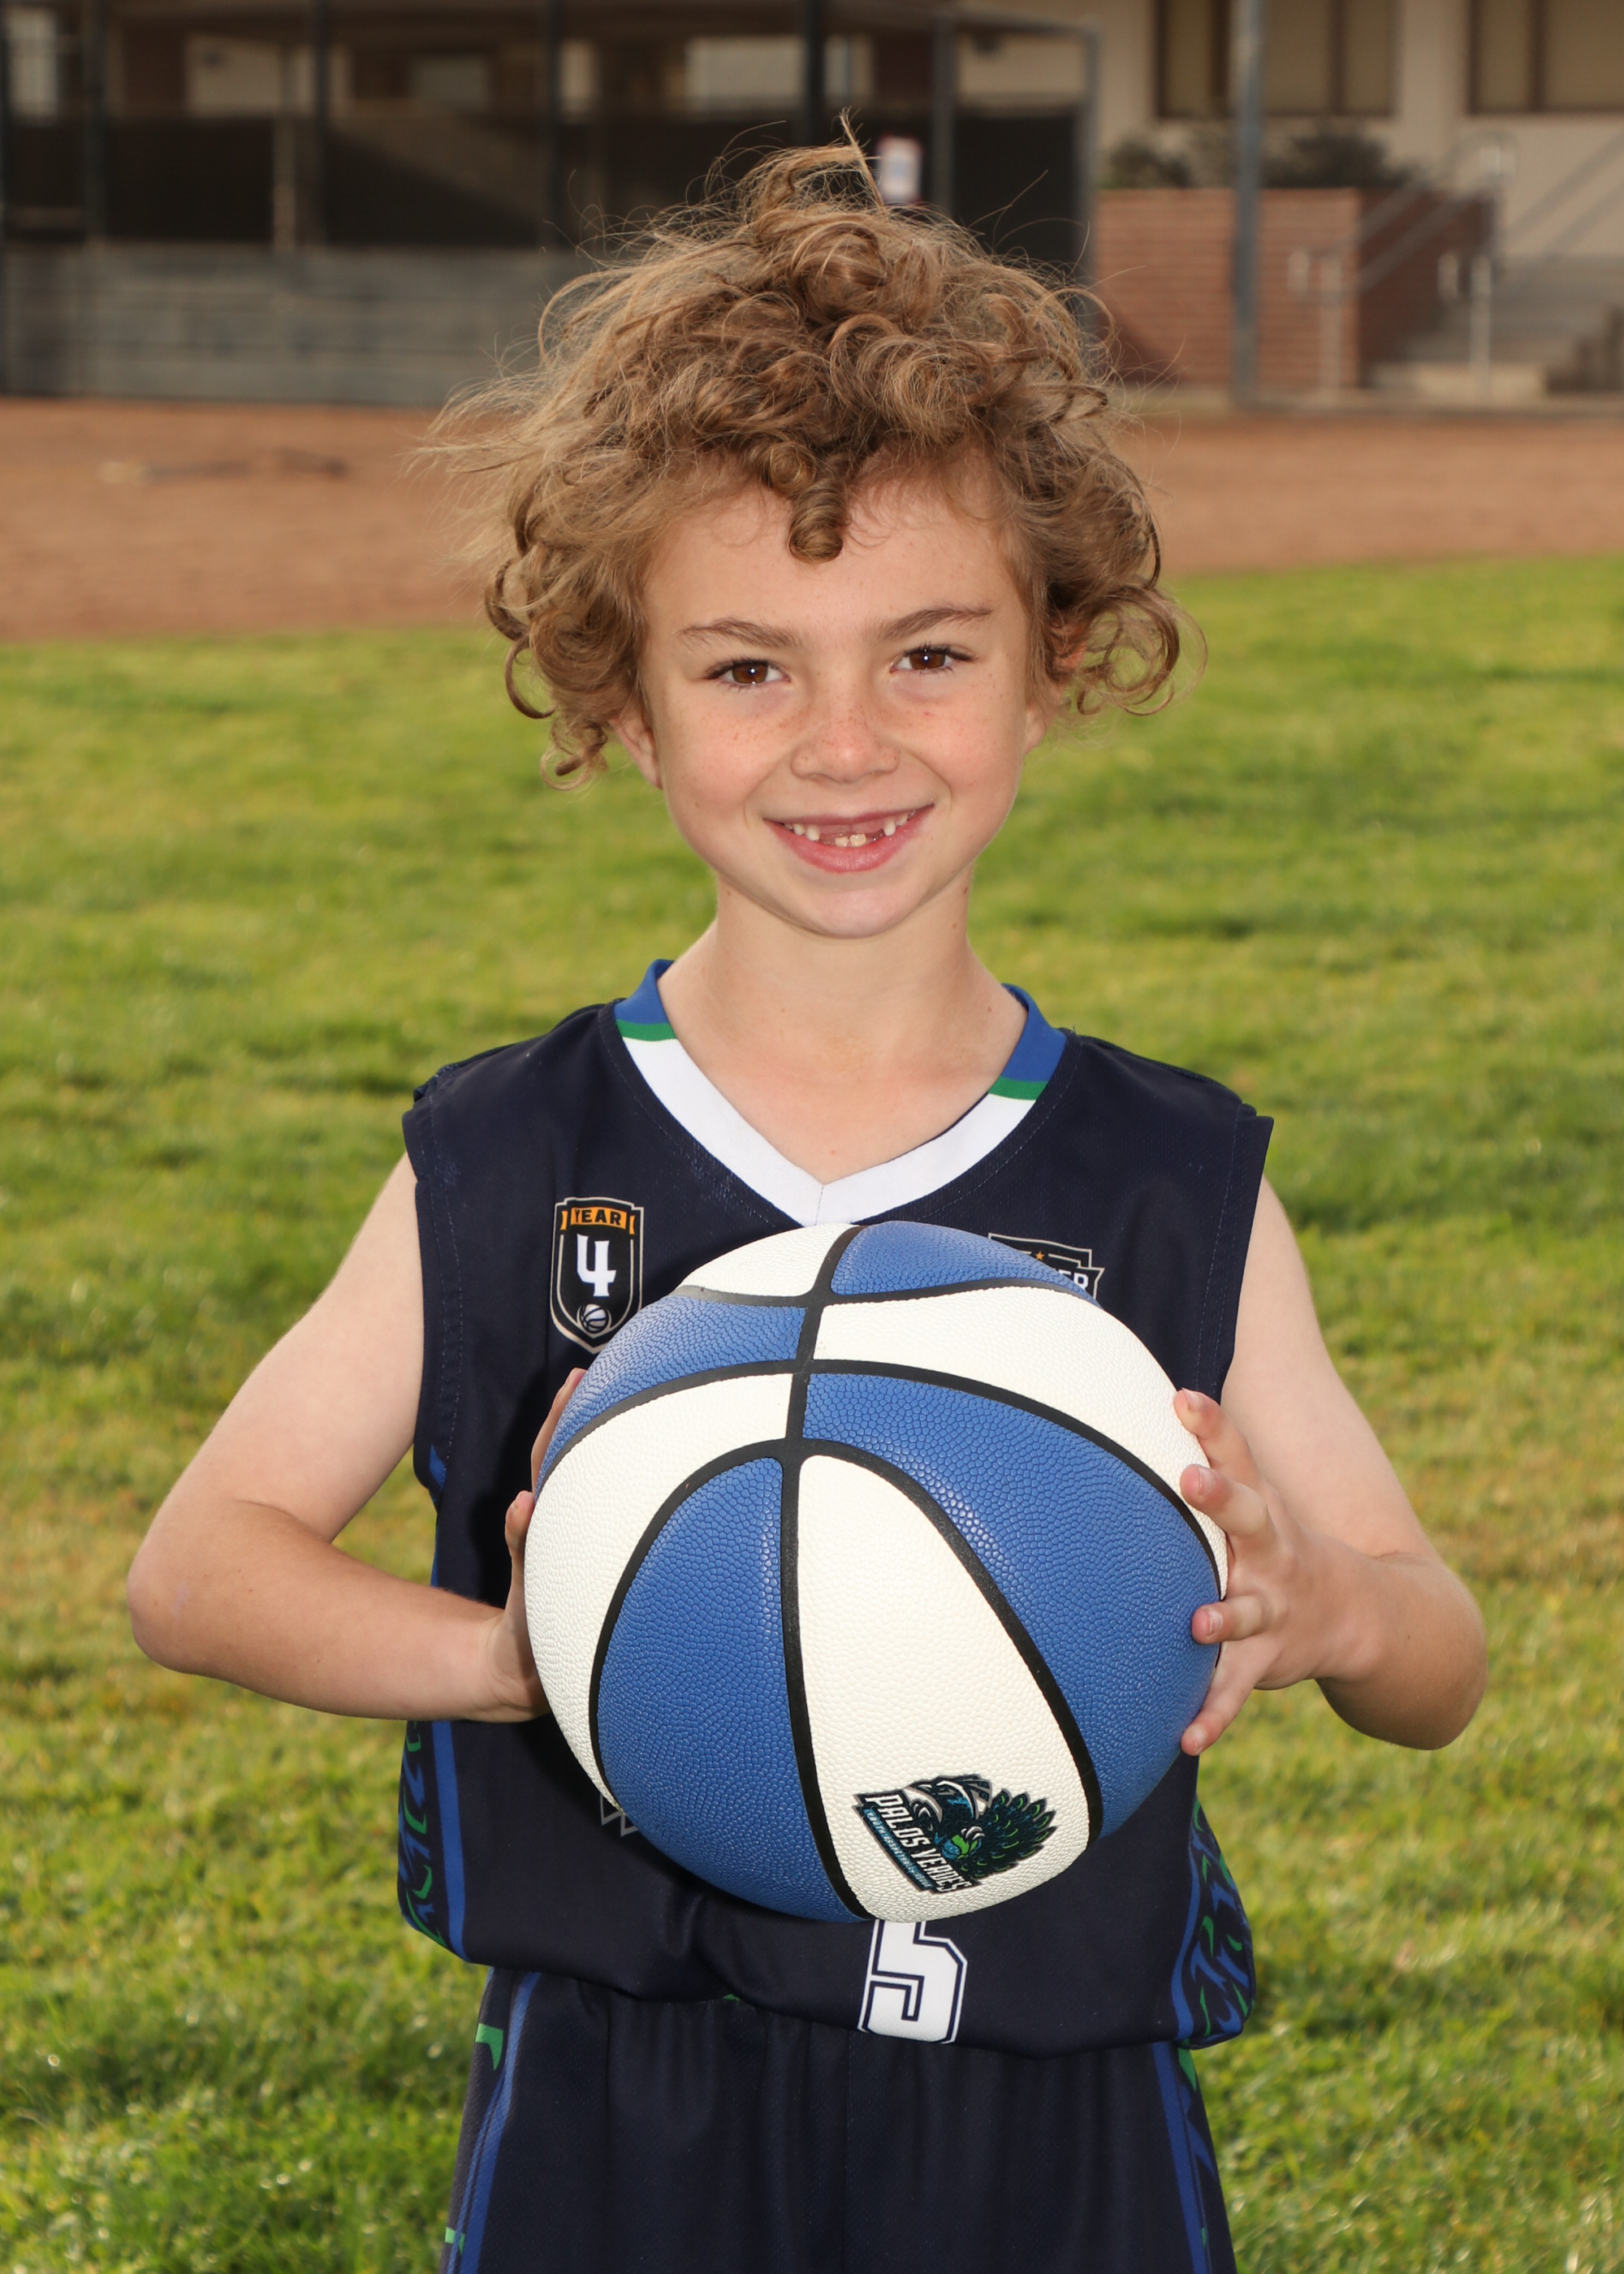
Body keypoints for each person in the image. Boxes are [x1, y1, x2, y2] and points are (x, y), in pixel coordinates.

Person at [127, 143, 1487, 2274]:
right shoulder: (514, 1151)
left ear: (1052, 663)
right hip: (620, 2105)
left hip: (1052, 2116)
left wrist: (1327, 1608)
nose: (845, 743)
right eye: (749, 668)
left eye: (926, 654)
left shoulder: (1168, 1177)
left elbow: (1438, 1654)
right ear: (625, 703)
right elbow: (199, 1569)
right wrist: (539, 1659)